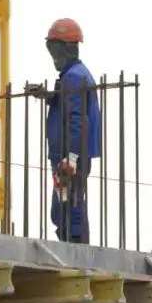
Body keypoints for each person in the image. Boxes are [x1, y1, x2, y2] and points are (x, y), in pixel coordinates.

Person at [35, 19, 101, 244]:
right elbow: (69, 105)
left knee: (69, 206)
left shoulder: (73, 77)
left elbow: (77, 121)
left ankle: (75, 249)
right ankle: (72, 244)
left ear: (67, 49)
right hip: (68, 158)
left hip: (69, 159)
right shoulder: (76, 74)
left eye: (55, 49)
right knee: (65, 203)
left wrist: (70, 159)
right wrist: (49, 96)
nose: (53, 55)